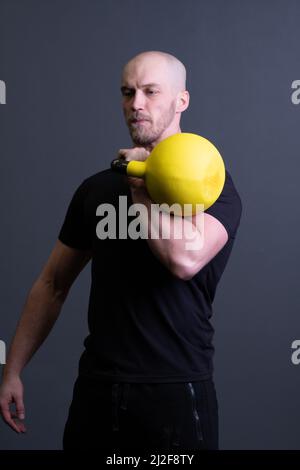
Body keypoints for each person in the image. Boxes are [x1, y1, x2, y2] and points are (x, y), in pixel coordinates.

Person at [0, 51, 242, 452]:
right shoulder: (96, 189)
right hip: (98, 391)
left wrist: (138, 181)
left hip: (175, 390)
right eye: (128, 93)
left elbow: (184, 259)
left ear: (181, 100)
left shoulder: (212, 186)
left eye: (150, 91)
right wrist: (13, 369)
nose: (137, 104)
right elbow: (52, 283)